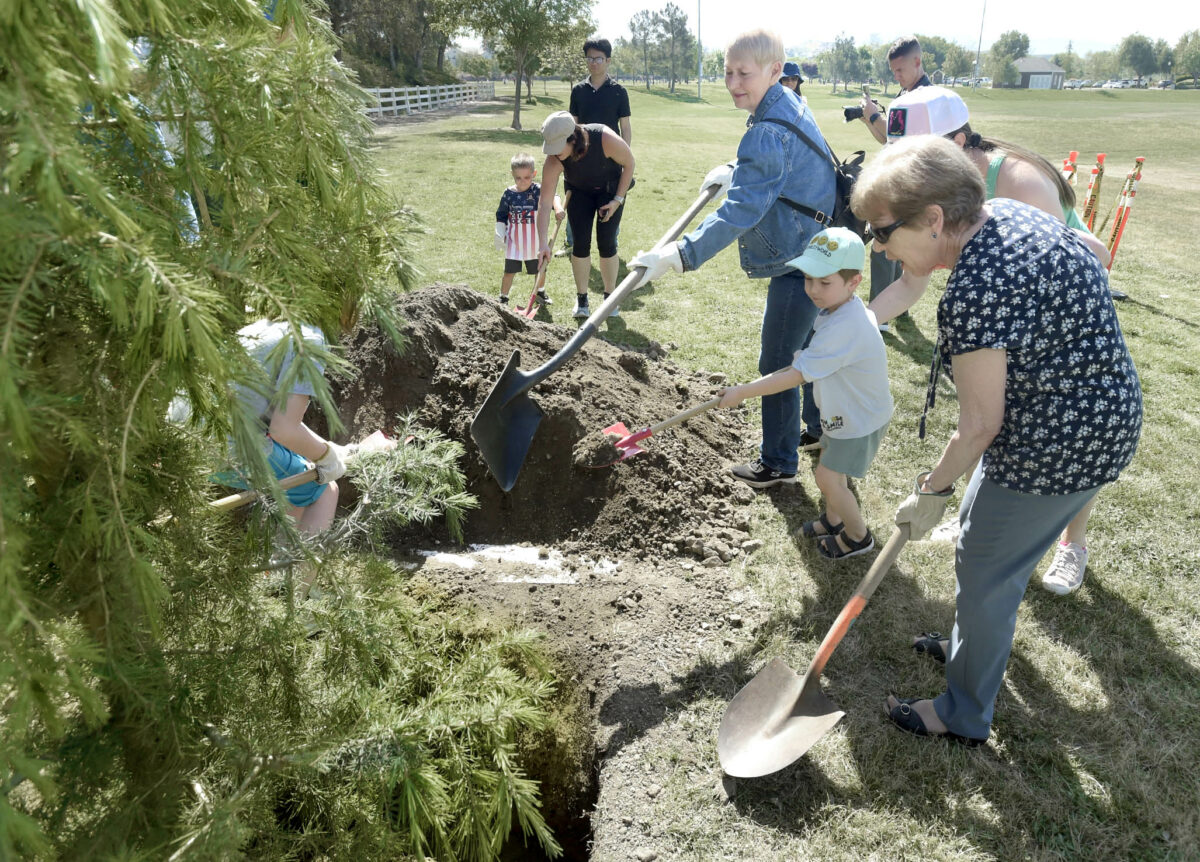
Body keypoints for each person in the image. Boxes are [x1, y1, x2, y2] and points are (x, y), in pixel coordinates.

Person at [852, 136, 1141, 745]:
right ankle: (969, 644)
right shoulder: (1003, 215)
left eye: (882, 231)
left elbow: (981, 425)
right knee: (978, 535)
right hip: (1083, 410)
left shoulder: (977, 289)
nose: (877, 245)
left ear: (934, 220)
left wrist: (929, 488)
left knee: (986, 567)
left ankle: (963, 714)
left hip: (1064, 440)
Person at [871, 85, 1113, 595]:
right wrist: (863, 322)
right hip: (1008, 325)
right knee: (991, 426)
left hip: (1065, 345)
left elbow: (1080, 259)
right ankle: (983, 521)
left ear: (957, 142)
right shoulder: (936, 210)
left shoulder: (1018, 185)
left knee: (1037, 430)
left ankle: (1072, 542)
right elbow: (914, 278)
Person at [630, 29, 835, 489]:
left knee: (779, 362)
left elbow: (742, 210)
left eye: (744, 73)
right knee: (810, 346)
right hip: (820, 245)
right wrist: (738, 170)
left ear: (774, 71)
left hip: (798, 260)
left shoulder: (766, 129)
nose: (733, 82)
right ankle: (818, 429)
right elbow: (779, 167)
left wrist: (680, 255)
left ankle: (778, 463)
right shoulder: (787, 102)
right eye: (727, 72)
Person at [717, 228, 892, 558]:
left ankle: (857, 536)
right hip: (843, 414)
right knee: (830, 467)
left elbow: (796, 375)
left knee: (827, 477)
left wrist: (743, 392)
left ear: (854, 282)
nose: (813, 289)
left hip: (859, 420)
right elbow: (809, 361)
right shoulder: (837, 310)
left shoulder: (846, 326)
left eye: (824, 282)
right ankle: (832, 520)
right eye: (809, 278)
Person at [220, 320, 348, 593]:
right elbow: (284, 429)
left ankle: (275, 583)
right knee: (321, 488)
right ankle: (296, 604)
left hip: (187, 440)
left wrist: (321, 448)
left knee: (298, 485)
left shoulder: (259, 326)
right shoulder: (309, 337)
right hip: (232, 446)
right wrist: (328, 458)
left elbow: (278, 426)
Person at [857, 36, 932, 314]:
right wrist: (869, 120)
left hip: (911, 186)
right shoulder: (906, 94)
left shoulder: (921, 97)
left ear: (917, 62)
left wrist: (876, 115)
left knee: (884, 245)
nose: (897, 76)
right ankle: (899, 307)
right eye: (893, 71)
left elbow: (898, 138)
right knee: (899, 249)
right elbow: (887, 140)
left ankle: (882, 311)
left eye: (900, 70)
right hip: (904, 182)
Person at [536, 110, 635, 319]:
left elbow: (629, 164)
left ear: (573, 138)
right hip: (578, 192)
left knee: (607, 242)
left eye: (558, 147)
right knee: (580, 244)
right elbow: (544, 203)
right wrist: (543, 243)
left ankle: (610, 298)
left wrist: (617, 200)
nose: (553, 153)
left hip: (610, 191)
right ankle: (582, 299)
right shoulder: (554, 160)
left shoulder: (604, 138)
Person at [559, 38, 632, 258]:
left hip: (611, 158)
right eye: (590, 58)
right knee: (577, 202)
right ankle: (572, 241)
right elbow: (572, 125)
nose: (594, 62)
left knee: (611, 204)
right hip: (582, 158)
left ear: (608, 60)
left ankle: (611, 244)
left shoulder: (619, 91)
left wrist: (624, 154)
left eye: (599, 58)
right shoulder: (578, 90)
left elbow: (625, 127)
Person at [495, 153, 564, 307]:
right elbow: (501, 214)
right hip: (515, 241)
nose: (523, 182)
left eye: (527, 177)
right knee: (509, 271)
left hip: (536, 242)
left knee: (540, 269)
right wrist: (499, 232)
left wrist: (558, 207)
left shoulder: (538, 190)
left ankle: (540, 292)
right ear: (512, 174)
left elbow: (554, 196)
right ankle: (503, 297)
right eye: (518, 178)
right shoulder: (509, 194)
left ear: (534, 174)